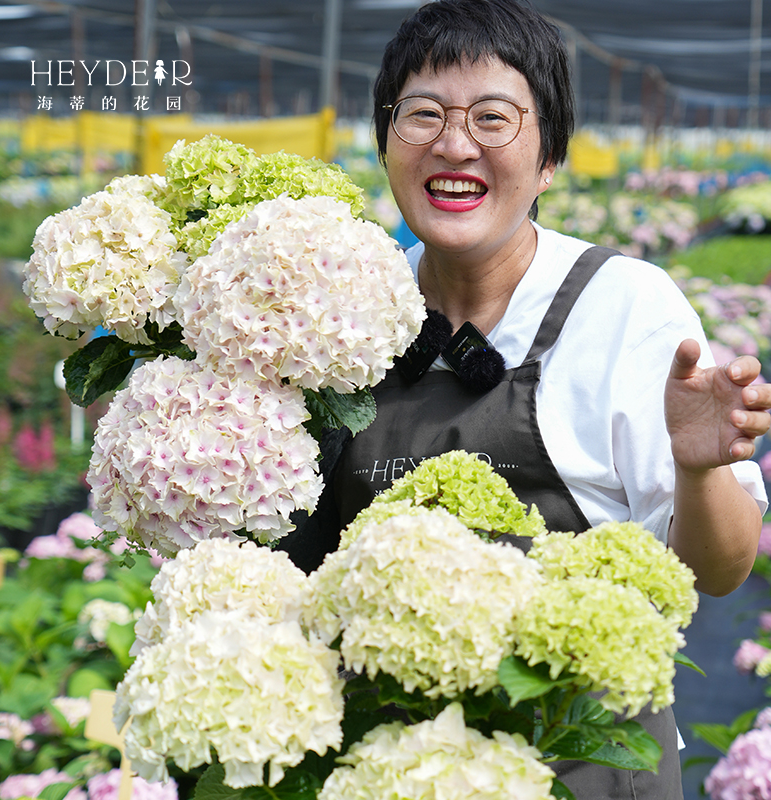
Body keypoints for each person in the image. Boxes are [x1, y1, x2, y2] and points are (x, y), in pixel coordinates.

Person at [281, 0, 771, 796]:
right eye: (422, 115)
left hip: (577, 762)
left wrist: (699, 469)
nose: (453, 143)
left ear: (549, 159)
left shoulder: (626, 307)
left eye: (493, 118)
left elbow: (720, 572)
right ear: (384, 139)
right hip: (385, 766)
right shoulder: (350, 312)